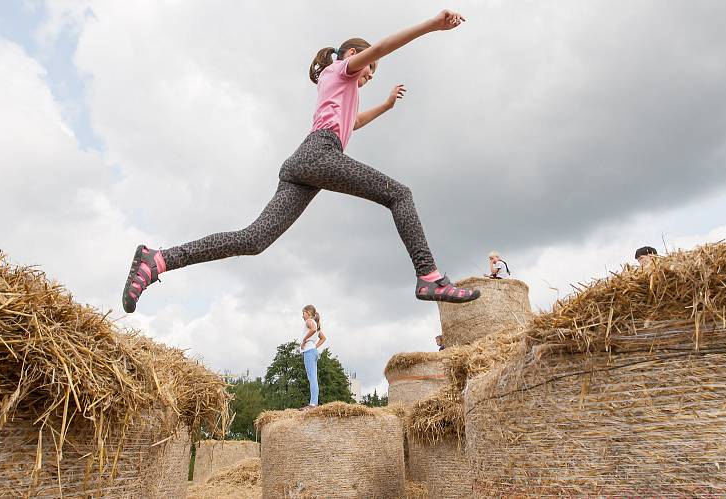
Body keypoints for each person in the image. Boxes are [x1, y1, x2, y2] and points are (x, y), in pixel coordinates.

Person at [121, 9, 481, 314]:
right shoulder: (342, 70)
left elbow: (352, 123)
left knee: (253, 239)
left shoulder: (342, 90)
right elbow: (384, 46)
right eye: (371, 67)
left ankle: (158, 260)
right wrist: (431, 25)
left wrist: (385, 106)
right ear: (355, 54)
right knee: (399, 195)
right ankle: (430, 277)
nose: (370, 75)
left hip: (305, 163)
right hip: (319, 154)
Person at [300, 305, 325, 410]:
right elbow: (323, 338)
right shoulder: (316, 323)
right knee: (313, 378)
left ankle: (313, 404)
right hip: (313, 351)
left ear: (308, 313)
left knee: (312, 378)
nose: (302, 316)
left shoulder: (309, 321)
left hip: (309, 352)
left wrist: (304, 340)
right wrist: (315, 346)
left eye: (303, 313)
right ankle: (314, 403)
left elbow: (313, 329)